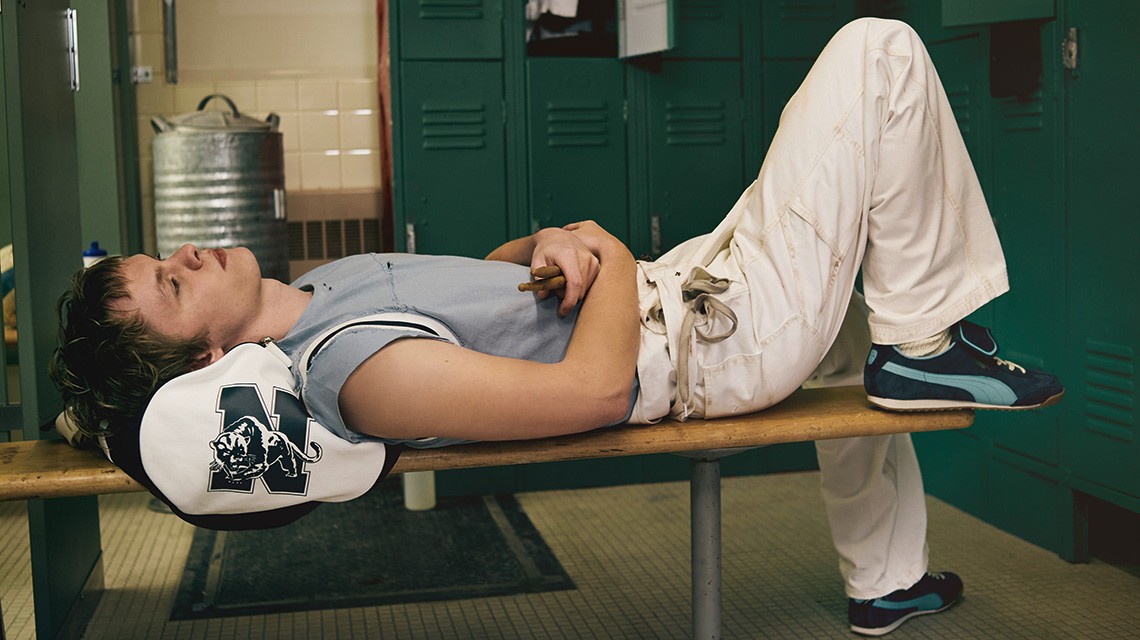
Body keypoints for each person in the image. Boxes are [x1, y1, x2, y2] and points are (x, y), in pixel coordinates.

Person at [51, 18, 1062, 637]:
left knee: (851, 322)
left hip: (688, 292)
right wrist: (604, 247)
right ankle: (927, 350)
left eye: (163, 254)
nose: (187, 252)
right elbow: (594, 391)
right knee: (877, 52)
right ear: (210, 359)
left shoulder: (322, 290)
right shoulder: (352, 372)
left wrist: (544, 242)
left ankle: (888, 585)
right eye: (172, 284)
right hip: (707, 343)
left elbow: (477, 293)